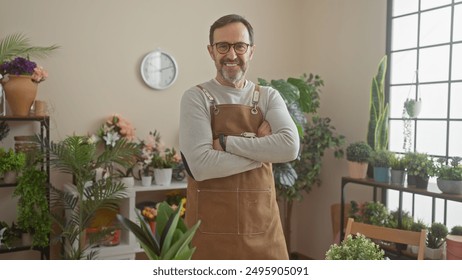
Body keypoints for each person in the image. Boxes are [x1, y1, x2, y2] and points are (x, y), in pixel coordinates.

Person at [179, 14, 300, 260]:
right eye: (222, 46)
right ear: (211, 51)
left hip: (263, 231)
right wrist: (262, 150)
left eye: (239, 46)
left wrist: (225, 143)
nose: (231, 55)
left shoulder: (268, 96)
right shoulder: (196, 97)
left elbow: (289, 149)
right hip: (208, 233)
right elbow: (200, 166)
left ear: (251, 51)